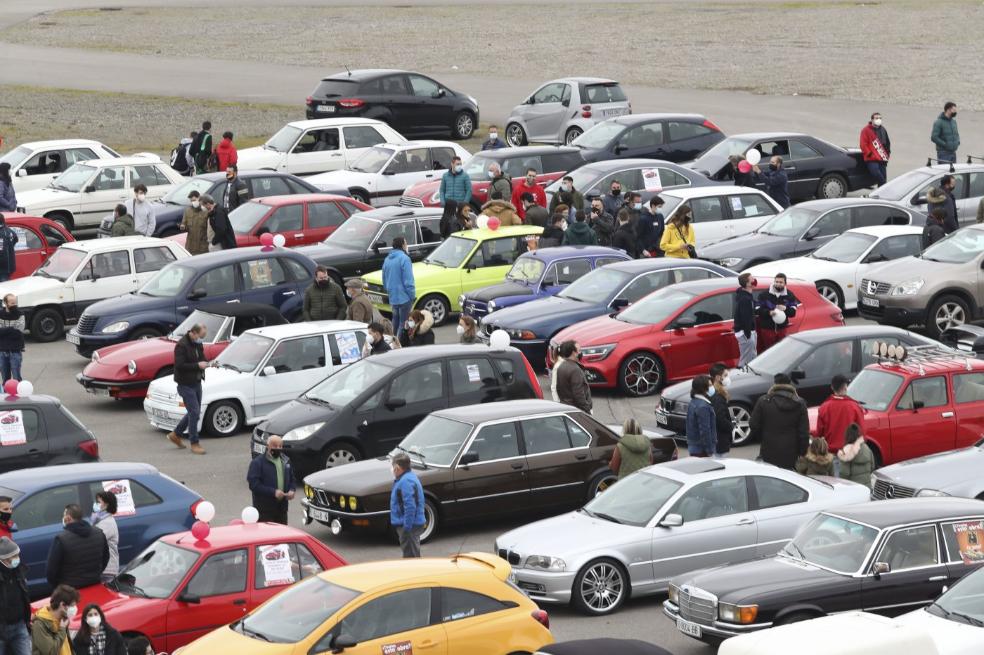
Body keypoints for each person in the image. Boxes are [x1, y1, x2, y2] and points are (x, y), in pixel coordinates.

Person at [166, 323, 213, 455]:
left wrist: (208, 363)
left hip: (197, 382)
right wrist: (198, 365)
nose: (201, 339)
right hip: (185, 384)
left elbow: (202, 358)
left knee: (194, 412)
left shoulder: (197, 343)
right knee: (194, 412)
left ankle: (176, 434)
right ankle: (194, 443)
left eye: (203, 337)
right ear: (193, 332)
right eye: (200, 336)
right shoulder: (181, 345)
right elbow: (180, 365)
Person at [750, 373, 810, 470]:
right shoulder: (800, 403)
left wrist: (763, 437)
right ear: (790, 384)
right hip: (791, 452)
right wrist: (802, 452)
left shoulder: (764, 401)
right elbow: (804, 433)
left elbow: (753, 424)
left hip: (768, 450)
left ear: (774, 384)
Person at [45, 505, 109, 590]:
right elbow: (106, 557)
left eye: (64, 516)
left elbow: (51, 570)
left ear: (68, 518)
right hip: (95, 584)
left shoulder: (61, 539)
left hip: (71, 591)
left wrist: (58, 586)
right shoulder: (98, 533)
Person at [247, 435, 295, 524]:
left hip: (282, 508)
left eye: (280, 446)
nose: (278, 448)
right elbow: (254, 485)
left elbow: (292, 479)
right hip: (264, 510)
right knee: (267, 535)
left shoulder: (286, 461)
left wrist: (292, 490)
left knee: (282, 535)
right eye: (275, 446)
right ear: (267, 446)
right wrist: (273, 492)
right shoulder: (257, 463)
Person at [815, 374, 865, 455]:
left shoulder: (824, 407)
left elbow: (819, 434)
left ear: (832, 387)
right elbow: (862, 433)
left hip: (830, 453)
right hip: (850, 452)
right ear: (845, 387)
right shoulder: (855, 407)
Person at [390, 452, 425, 558]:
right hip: (410, 525)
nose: (391, 469)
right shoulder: (407, 478)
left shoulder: (406, 481)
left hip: (409, 526)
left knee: (411, 557)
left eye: (392, 466)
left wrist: (407, 528)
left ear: (397, 468)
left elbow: (410, 507)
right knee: (411, 554)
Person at [0, 536, 30, 655]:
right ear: (2, 560)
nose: (16, 559)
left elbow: (24, 596)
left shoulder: (19, 571)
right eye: (12, 557)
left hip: (19, 626)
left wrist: (27, 618)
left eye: (17, 555)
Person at [756, 273, 799, 352]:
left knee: (781, 351)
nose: (778, 284)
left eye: (781, 282)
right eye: (777, 282)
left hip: (782, 329)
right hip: (767, 329)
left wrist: (785, 309)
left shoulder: (789, 295)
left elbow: (793, 313)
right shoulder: (764, 294)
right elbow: (757, 310)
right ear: (774, 282)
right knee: (769, 351)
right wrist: (769, 312)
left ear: (785, 283)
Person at [30, 584, 78, 655]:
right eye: (72, 605)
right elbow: (51, 652)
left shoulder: (63, 619)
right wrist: (62, 629)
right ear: (62, 605)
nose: (75, 608)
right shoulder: (40, 624)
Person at [382, 236, 415, 338]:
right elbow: (408, 281)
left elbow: (384, 278)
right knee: (403, 323)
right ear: (402, 245)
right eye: (405, 243)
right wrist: (412, 296)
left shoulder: (387, 259)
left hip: (393, 297)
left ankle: (391, 341)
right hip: (404, 297)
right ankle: (398, 345)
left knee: (395, 322)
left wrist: (389, 291)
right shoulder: (405, 259)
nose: (406, 245)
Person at [552, 340, 592, 413]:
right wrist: (587, 409)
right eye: (579, 350)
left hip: (566, 407)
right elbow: (579, 394)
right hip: (577, 410)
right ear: (574, 353)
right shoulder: (575, 370)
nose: (581, 353)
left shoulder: (561, 366)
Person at [89, 491, 118, 584]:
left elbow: (94, 540)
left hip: (107, 569)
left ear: (106, 504)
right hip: (102, 567)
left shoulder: (108, 523)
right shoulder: (99, 520)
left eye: (99, 502)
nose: (96, 504)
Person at [685, 375, 716, 457]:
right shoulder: (703, 406)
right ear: (703, 388)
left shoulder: (693, 401)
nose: (712, 387)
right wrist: (709, 450)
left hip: (694, 447)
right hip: (702, 450)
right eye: (709, 385)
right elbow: (705, 430)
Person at [859, 112, 891, 186]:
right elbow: (863, 144)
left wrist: (888, 154)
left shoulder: (883, 129)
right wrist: (869, 154)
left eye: (880, 118)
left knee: (883, 177)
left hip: (882, 158)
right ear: (872, 120)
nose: (878, 120)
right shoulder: (866, 130)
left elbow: (887, 143)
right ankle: (884, 186)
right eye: (876, 118)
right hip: (872, 159)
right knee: (877, 174)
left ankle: (881, 194)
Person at [734, 273, 758, 367]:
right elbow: (745, 317)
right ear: (748, 284)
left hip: (748, 332)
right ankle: (741, 376)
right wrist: (748, 334)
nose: (754, 280)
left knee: (752, 356)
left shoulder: (747, 295)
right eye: (752, 279)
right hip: (746, 333)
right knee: (746, 359)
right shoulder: (745, 299)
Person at [709, 363, 732, 458]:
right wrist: (730, 426)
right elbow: (720, 418)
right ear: (718, 378)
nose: (728, 378)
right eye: (725, 375)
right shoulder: (718, 397)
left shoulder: (712, 392)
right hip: (720, 441)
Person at [0, 294, 24, 384]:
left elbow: (19, 332)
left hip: (15, 351)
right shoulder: (0, 314)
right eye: (12, 303)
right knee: (5, 379)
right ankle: (6, 396)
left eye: (15, 302)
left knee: (17, 378)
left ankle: (19, 396)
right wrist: (11, 329)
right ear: (5, 303)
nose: (14, 305)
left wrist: (4, 331)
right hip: (2, 350)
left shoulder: (20, 314)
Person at [179, 190, 209, 255]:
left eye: (194, 200)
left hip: (202, 247)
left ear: (199, 198)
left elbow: (210, 228)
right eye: (191, 201)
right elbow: (184, 224)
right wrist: (183, 227)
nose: (193, 202)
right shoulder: (187, 211)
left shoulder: (205, 211)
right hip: (190, 247)